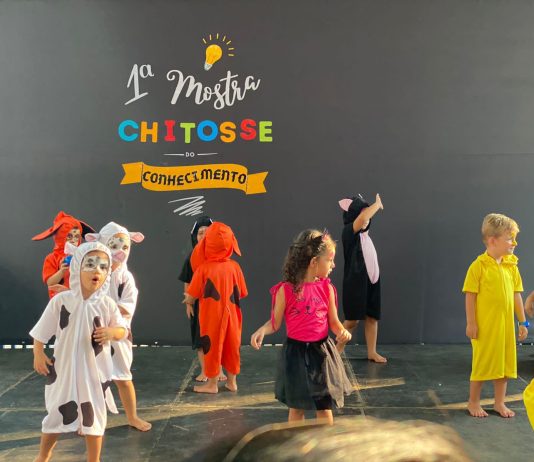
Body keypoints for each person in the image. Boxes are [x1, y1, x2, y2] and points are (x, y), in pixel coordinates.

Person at [30, 242, 127, 462]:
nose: (97, 270)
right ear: (77, 268)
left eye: (103, 266)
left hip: (94, 374)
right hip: (63, 371)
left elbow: (123, 330)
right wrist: (38, 352)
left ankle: (94, 459)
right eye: (90, 264)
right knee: (56, 413)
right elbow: (41, 330)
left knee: (94, 416)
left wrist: (112, 332)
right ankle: (43, 456)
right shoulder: (62, 301)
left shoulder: (107, 304)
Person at [250, 229, 352, 424]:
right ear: (314, 262)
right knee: (296, 409)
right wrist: (262, 330)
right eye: (330, 260)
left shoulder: (327, 288)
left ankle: (324, 441)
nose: (333, 265)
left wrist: (342, 332)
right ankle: (297, 441)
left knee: (324, 407)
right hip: (295, 356)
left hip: (321, 355)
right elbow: (275, 323)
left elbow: (334, 323)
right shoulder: (286, 290)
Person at [85, 222, 151, 432]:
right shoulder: (93, 273)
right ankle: (88, 420)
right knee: (90, 379)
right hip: (93, 333)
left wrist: (108, 318)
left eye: (124, 246)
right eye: (113, 245)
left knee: (122, 377)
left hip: (118, 335)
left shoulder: (125, 278)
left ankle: (132, 416)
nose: (119, 251)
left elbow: (126, 306)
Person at [463, 213, 528, 418]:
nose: (514, 243)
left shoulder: (511, 266)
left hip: (506, 327)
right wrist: (471, 323)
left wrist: (523, 321)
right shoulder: (478, 266)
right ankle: (473, 402)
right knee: (482, 363)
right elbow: (470, 296)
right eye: (510, 238)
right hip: (486, 327)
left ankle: (499, 403)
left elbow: (517, 295)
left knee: (505, 364)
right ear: (493, 240)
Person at [183, 222, 247, 394]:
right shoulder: (235, 267)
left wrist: (188, 300)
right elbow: (242, 292)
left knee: (211, 347)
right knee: (232, 346)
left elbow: (192, 293)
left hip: (211, 317)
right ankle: (232, 382)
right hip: (233, 316)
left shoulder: (203, 269)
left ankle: (212, 384)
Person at [336, 194, 386, 363]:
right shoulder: (349, 232)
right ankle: (336, 352)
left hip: (372, 279)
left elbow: (365, 219)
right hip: (355, 282)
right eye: (363, 214)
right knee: (351, 321)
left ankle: (372, 351)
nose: (366, 219)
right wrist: (376, 205)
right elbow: (363, 218)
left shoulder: (366, 237)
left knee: (372, 317)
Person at [179, 216, 227, 382]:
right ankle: (206, 371)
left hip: (217, 305)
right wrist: (189, 303)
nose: (204, 236)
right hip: (199, 305)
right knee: (201, 339)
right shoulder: (191, 258)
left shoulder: (221, 258)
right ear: (195, 236)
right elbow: (187, 281)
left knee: (218, 338)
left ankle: (218, 369)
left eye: (208, 232)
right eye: (200, 233)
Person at [32, 211, 94, 298]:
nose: (73, 240)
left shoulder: (81, 256)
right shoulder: (52, 258)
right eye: (69, 236)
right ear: (61, 236)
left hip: (78, 298)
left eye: (76, 237)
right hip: (60, 300)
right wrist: (61, 271)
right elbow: (50, 283)